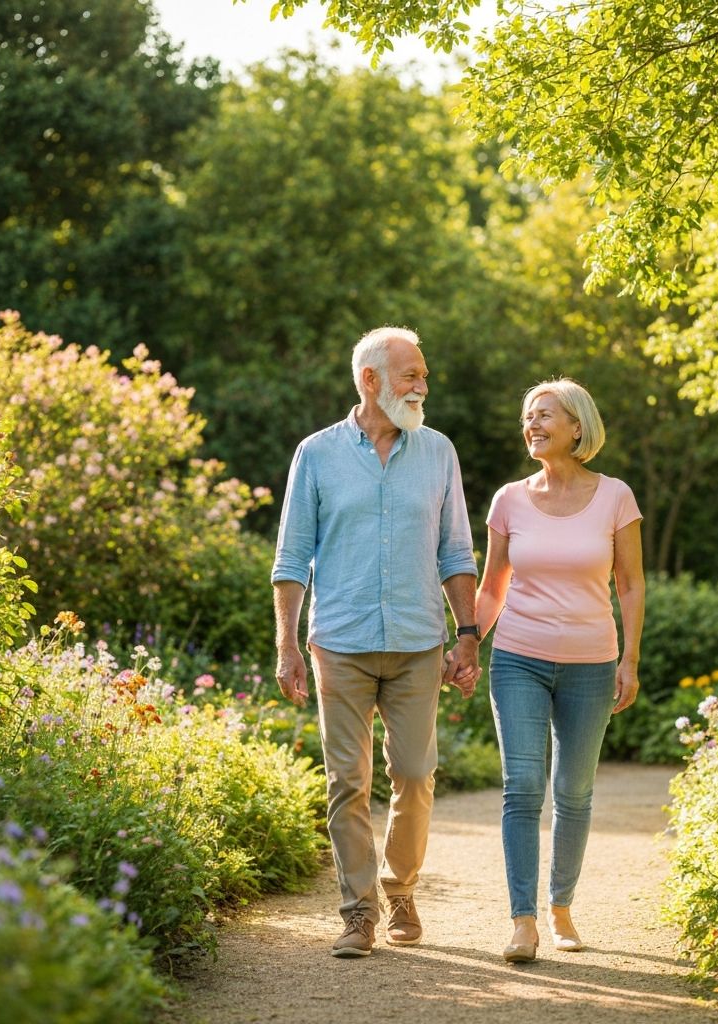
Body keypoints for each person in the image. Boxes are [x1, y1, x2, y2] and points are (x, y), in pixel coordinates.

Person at [272, 326, 481, 959]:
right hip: (340, 640)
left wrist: (467, 634)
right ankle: (359, 910)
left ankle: (401, 886)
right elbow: (291, 557)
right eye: (411, 375)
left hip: (419, 641)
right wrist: (287, 644)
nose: (423, 386)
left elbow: (456, 549)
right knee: (348, 782)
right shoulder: (316, 453)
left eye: (423, 375)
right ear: (371, 380)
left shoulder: (438, 451)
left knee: (415, 776)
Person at [474, 378, 645, 962]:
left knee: (573, 791)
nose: (533, 424)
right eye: (527, 416)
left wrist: (630, 659)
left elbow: (630, 583)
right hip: (518, 657)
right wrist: (468, 641)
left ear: (578, 426)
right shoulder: (508, 500)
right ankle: (522, 920)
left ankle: (561, 908)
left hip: (592, 665)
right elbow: (494, 584)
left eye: (545, 415)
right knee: (522, 787)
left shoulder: (616, 496)